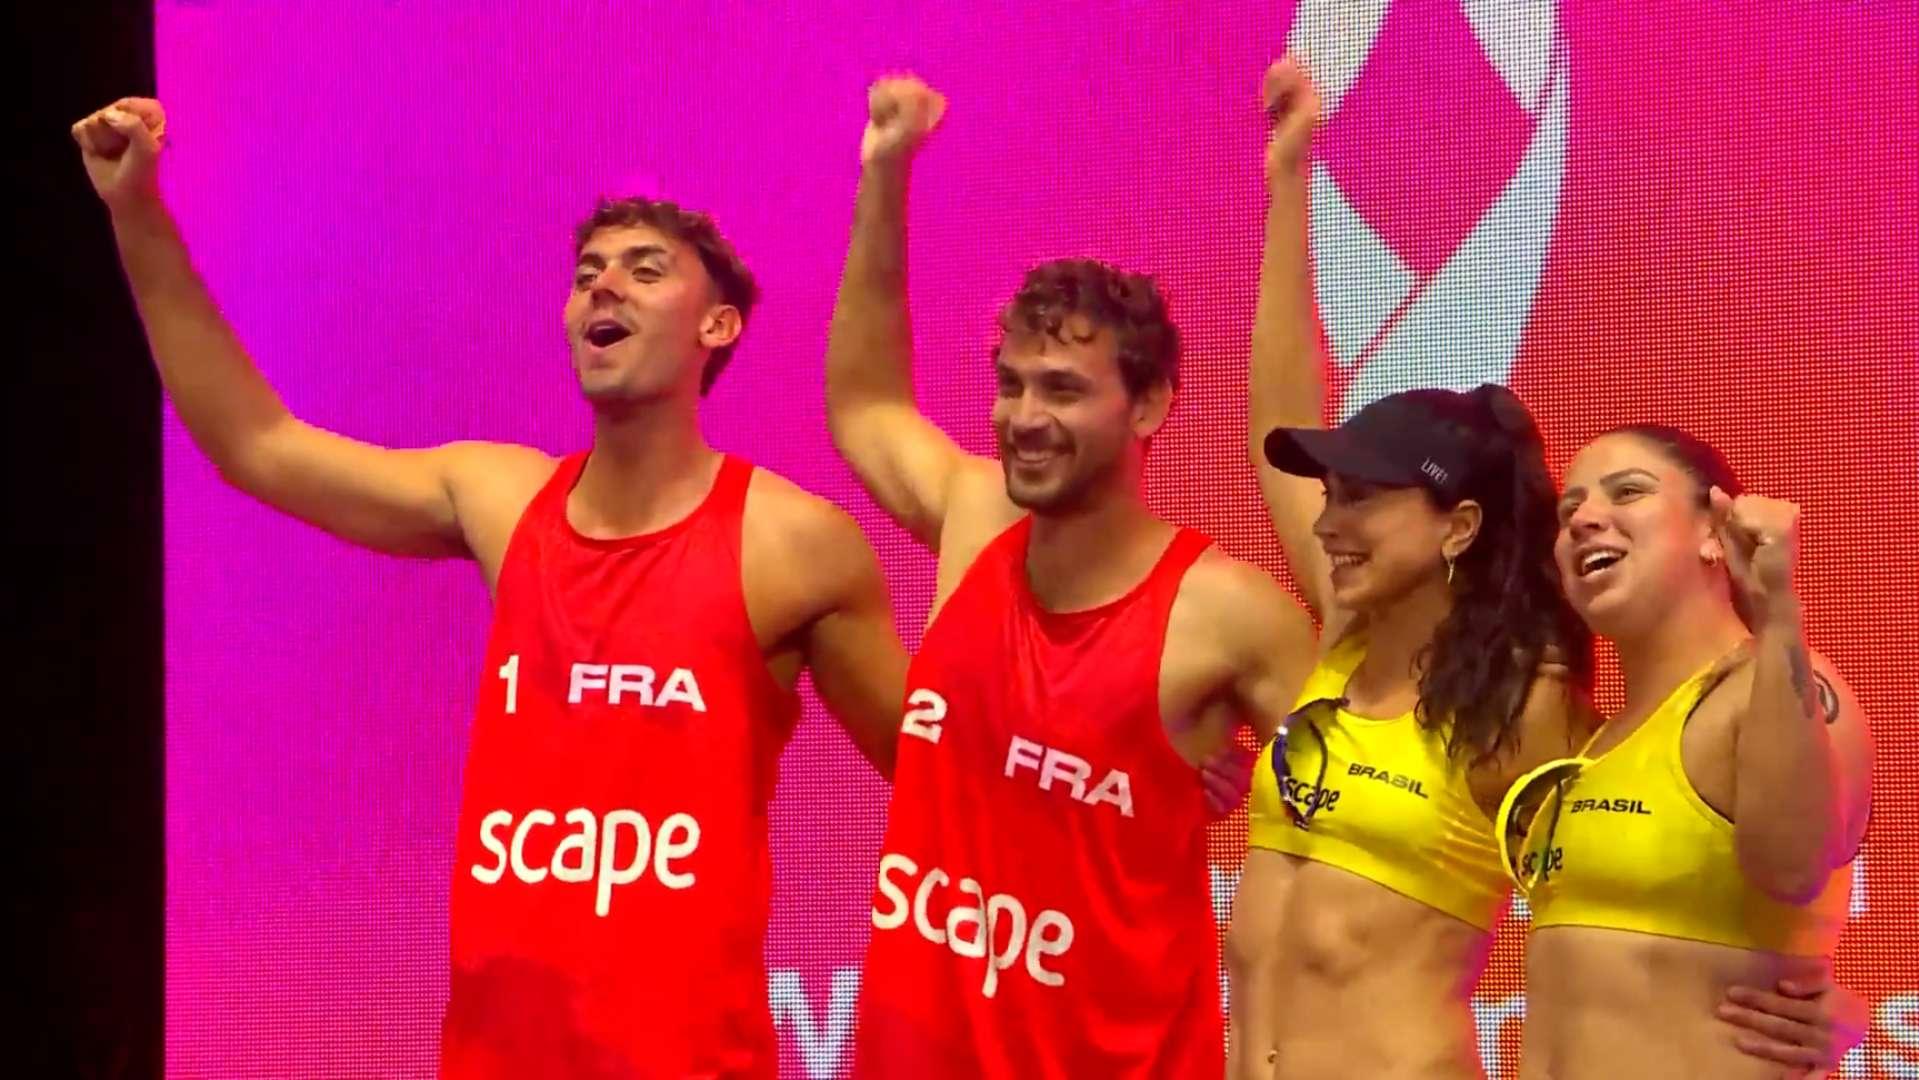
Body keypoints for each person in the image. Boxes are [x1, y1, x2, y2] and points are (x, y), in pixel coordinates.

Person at [74, 97, 906, 1079]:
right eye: (588, 274)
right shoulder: (499, 500)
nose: (607, 288)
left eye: (646, 270)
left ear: (717, 325)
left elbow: (938, 779)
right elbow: (258, 445)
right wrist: (136, 210)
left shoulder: (794, 543)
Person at [1229, 58, 1868, 1079]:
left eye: (1362, 496)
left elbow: (1749, 869)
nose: (1331, 520)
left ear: (1455, 527)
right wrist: (1288, 185)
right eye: (1572, 502)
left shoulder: (1522, 701)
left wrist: (1833, 1006)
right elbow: (1281, 414)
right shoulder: (1352, 637)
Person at [825, 75, 1315, 1077]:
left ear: (1147, 408)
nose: (1022, 417)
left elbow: (1366, 820)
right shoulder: (972, 515)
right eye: (1008, 385)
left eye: (1062, 390)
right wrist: (884, 175)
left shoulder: (1225, 613)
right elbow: (865, 403)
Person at [1503, 425, 1873, 1079]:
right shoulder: (1597, 741)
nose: (1586, 518)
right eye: (1570, 510)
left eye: (1627, 492)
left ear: (1713, 531)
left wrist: (1776, 612)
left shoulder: (1775, 685)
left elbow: (1794, 870)